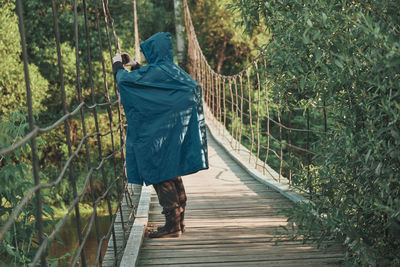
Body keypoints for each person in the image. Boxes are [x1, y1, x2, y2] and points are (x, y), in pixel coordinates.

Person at [112, 32, 208, 238]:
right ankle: (177, 223)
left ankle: (172, 226)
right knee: (170, 169)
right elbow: (152, 79)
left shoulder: (160, 70)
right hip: (174, 129)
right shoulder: (170, 68)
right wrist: (135, 64)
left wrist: (117, 65)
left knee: (159, 170)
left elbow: (127, 83)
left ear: (154, 52)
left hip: (161, 130)